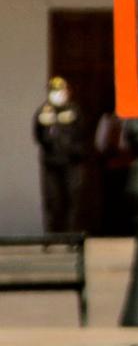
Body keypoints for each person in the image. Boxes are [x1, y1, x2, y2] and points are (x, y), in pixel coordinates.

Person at [33, 77, 89, 234]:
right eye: (54, 91)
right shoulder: (43, 112)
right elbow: (38, 135)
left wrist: (74, 149)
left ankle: (71, 235)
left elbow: (82, 132)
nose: (58, 94)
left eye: (61, 91)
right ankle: (50, 236)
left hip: (72, 162)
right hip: (51, 163)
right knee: (52, 200)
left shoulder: (73, 110)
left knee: (72, 198)